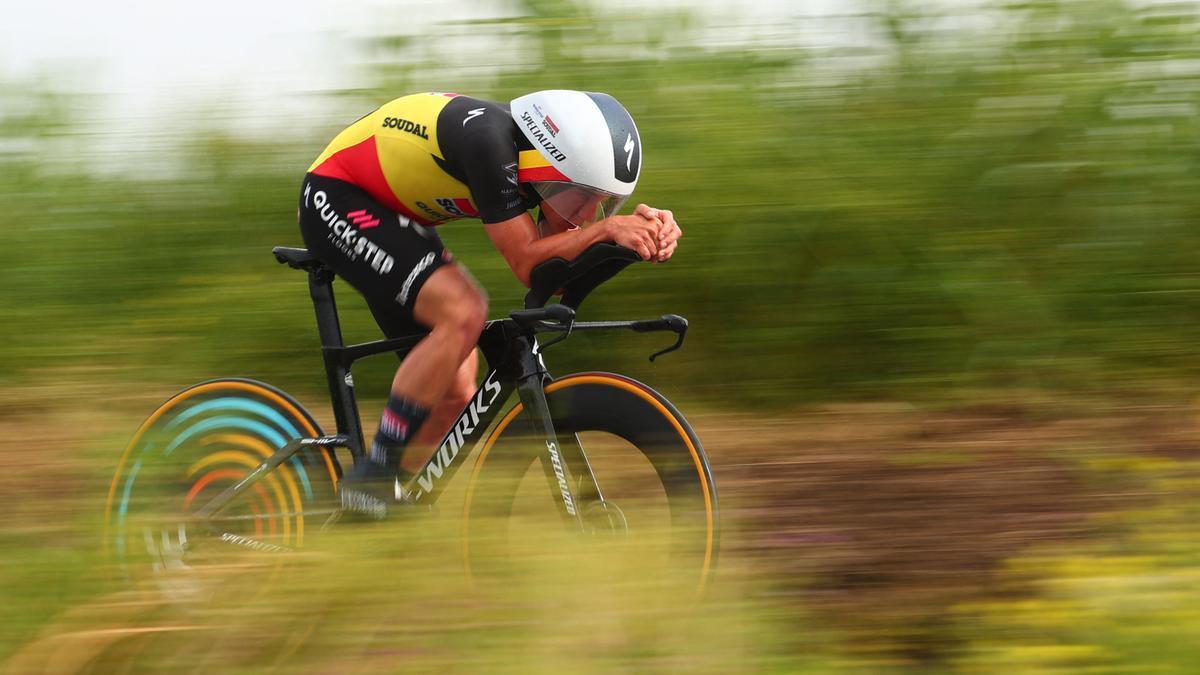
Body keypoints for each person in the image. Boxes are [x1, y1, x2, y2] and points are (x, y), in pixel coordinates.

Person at [297, 90, 681, 518]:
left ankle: (378, 511)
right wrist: (608, 230)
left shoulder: (529, 161)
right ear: (548, 167)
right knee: (464, 312)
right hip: (335, 195)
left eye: (604, 203)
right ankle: (375, 475)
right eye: (582, 198)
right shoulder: (490, 144)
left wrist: (638, 240)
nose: (587, 216)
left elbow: (553, 277)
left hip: (392, 212)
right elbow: (526, 264)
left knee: (458, 389)